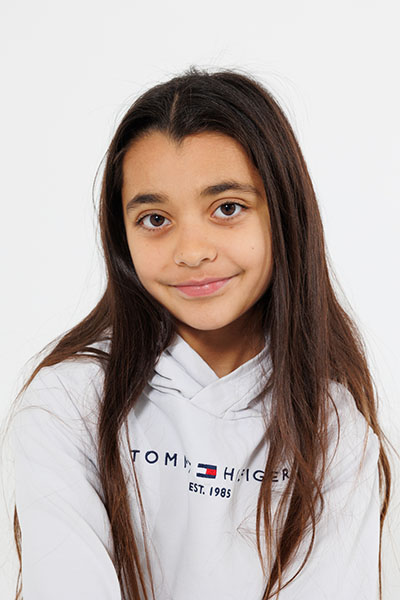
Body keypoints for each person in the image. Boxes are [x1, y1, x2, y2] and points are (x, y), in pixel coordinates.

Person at [7, 66, 391, 600]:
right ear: (122, 236)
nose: (191, 251)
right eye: (155, 219)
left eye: (227, 209)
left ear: (283, 215)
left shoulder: (334, 427)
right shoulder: (67, 403)